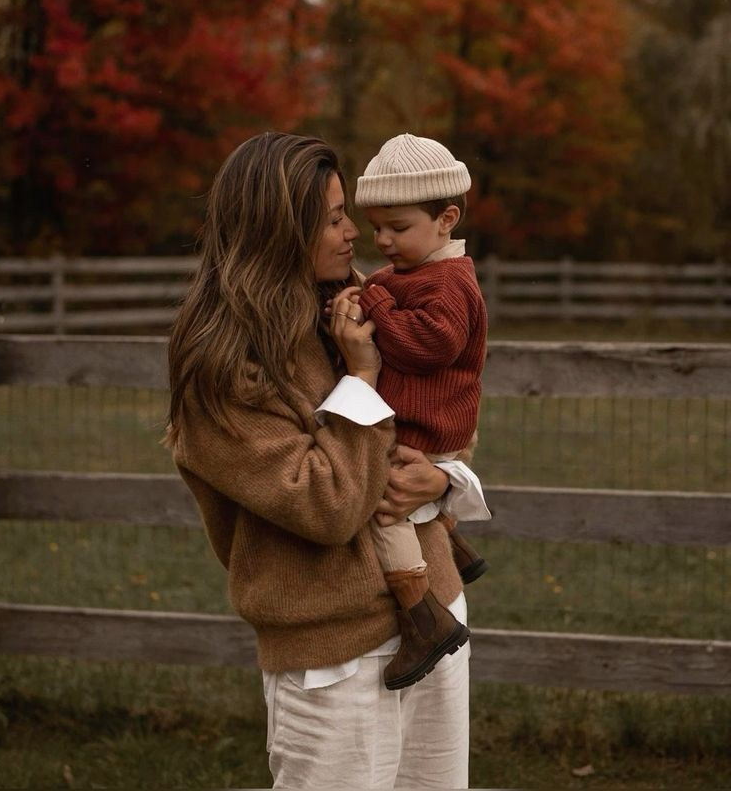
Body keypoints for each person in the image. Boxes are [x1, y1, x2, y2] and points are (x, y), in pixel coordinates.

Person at [165, 131, 486, 790]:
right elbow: (327, 505)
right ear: (279, 233)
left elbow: (444, 410)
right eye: (335, 219)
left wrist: (442, 478)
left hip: (438, 615)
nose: (354, 234)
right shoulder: (224, 369)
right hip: (334, 658)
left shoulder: (355, 303)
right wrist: (362, 380)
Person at [336, 132, 491, 692]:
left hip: (428, 426)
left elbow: (426, 345)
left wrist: (375, 300)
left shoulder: (449, 283)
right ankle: (456, 545)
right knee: (406, 498)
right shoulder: (418, 272)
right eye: (376, 227)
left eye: (397, 228)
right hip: (425, 421)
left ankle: (422, 616)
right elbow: (389, 294)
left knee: (386, 511)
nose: (382, 240)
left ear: (446, 219)